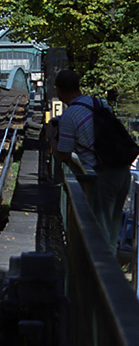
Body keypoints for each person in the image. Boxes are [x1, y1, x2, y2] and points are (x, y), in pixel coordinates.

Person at [48, 69, 132, 254]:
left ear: (59, 91)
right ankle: (112, 270)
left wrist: (51, 138)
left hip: (102, 176)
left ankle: (103, 277)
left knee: (100, 232)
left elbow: (64, 155)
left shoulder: (70, 115)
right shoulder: (98, 103)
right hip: (122, 171)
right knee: (113, 227)